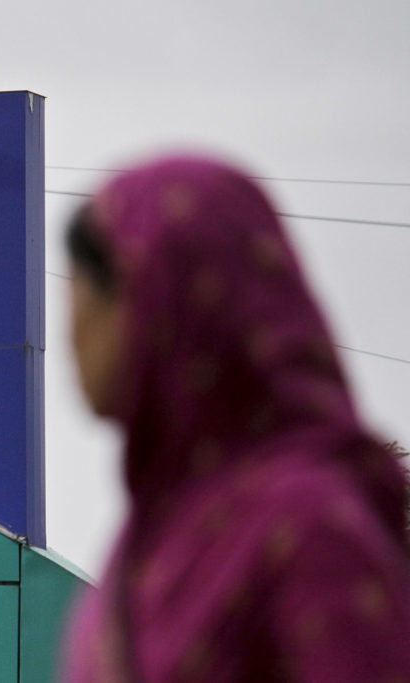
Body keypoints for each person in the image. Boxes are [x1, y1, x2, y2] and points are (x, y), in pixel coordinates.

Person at [62, 155, 410, 681]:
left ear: (164, 301)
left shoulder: (309, 530)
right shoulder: (145, 545)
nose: (70, 335)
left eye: (88, 300)